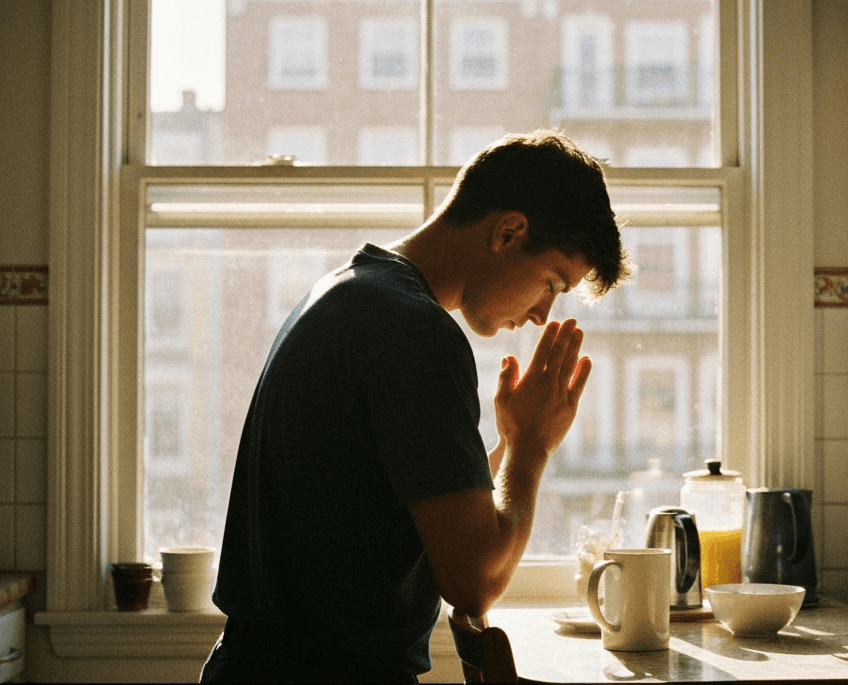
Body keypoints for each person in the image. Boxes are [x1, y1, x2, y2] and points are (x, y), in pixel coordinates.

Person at [200, 129, 630, 683]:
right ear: (508, 232)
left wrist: (507, 445)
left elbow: (431, 507)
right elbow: (473, 582)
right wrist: (530, 449)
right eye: (551, 283)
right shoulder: (417, 336)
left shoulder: (351, 291)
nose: (541, 314)